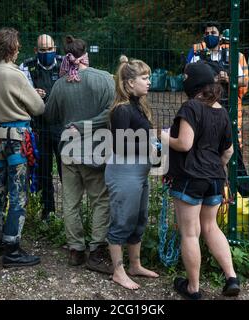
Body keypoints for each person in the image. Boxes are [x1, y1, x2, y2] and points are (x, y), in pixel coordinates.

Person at [161, 62, 239, 300]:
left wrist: (163, 136)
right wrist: (214, 167)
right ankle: (231, 278)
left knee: (190, 232)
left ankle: (193, 288)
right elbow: (228, 152)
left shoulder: (191, 107)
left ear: (191, 84)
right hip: (215, 177)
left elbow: (184, 144)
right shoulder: (221, 111)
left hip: (190, 178)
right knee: (210, 226)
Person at [45, 35, 114, 274]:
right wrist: (88, 125)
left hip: (68, 151)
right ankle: (96, 250)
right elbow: (112, 112)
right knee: (100, 201)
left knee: (71, 202)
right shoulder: (105, 79)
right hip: (97, 150)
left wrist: (74, 123)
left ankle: (75, 249)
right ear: (87, 54)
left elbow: (50, 115)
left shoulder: (60, 84)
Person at [0, 28, 45, 268]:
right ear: (10, 47)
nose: (19, 48)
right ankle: (13, 249)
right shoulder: (15, 73)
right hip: (16, 139)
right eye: (17, 44)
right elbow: (38, 107)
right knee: (18, 194)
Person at [105, 55, 159, 290]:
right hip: (124, 172)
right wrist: (150, 143)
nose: (149, 81)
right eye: (145, 78)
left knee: (139, 220)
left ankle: (135, 265)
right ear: (129, 83)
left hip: (139, 172)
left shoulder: (138, 105)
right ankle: (118, 271)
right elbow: (120, 145)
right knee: (122, 222)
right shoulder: (122, 110)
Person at [187, 23, 249, 196]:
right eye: (206, 33)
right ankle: (205, 190)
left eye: (213, 32)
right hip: (203, 108)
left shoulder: (232, 55)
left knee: (232, 150)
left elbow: (243, 81)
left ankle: (244, 195)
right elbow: (188, 77)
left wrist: (228, 78)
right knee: (203, 147)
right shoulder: (197, 56)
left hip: (226, 108)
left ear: (220, 36)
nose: (209, 35)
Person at [19, 34, 63, 220]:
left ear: (55, 48)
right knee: (44, 171)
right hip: (40, 127)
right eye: (43, 50)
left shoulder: (65, 65)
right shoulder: (27, 66)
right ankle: (48, 212)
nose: (47, 53)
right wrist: (32, 93)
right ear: (36, 51)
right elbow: (21, 94)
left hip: (63, 127)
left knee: (67, 171)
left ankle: (71, 214)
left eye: (50, 49)